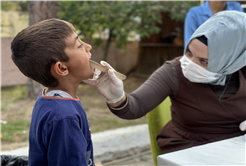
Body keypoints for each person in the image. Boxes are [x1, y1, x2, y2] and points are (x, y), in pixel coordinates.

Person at [84, 11, 246, 154]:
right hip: (189, 149)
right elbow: (135, 107)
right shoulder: (173, 71)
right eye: (189, 52)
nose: (190, 63)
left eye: (204, 61)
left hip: (235, 147)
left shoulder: (242, 70)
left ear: (232, 60)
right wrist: (116, 97)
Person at [11, 18, 95, 166]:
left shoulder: (49, 97)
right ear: (62, 68)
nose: (89, 46)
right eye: (80, 45)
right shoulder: (64, 117)